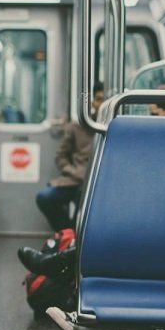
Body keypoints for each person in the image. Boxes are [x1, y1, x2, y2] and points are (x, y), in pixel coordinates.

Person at [35, 81, 104, 232]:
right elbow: (61, 157)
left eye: (106, 100)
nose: (102, 104)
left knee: (83, 198)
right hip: (75, 180)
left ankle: (75, 239)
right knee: (45, 198)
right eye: (99, 99)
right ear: (93, 102)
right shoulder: (77, 126)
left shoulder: (115, 127)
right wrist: (73, 171)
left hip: (101, 183)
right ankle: (67, 234)